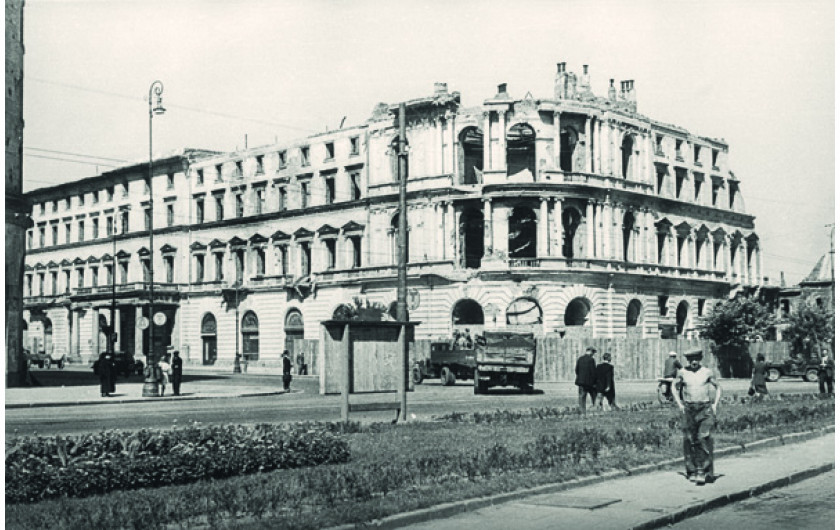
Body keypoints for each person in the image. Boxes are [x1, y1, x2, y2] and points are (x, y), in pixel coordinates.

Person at [673, 348, 721, 486]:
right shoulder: (682, 372)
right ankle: (692, 471)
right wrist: (680, 404)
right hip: (689, 409)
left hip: (704, 408)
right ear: (687, 360)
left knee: (703, 438)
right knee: (689, 439)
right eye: (691, 359)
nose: (694, 362)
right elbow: (674, 387)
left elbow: (718, 387)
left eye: (696, 359)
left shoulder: (707, 372)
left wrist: (715, 405)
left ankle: (703, 471)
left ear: (700, 359)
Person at [574, 346, 597, 413]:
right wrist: (594, 382)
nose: (593, 354)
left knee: (581, 397)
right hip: (589, 383)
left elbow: (576, 370)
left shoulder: (580, 359)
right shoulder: (591, 360)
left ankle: (582, 411)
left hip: (581, 382)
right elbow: (593, 372)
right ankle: (595, 410)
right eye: (593, 352)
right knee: (594, 396)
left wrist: (581, 377)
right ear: (590, 352)